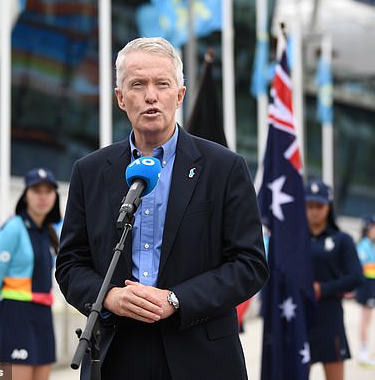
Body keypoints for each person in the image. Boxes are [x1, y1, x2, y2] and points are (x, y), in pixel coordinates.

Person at [55, 37, 269, 380]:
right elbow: (70, 264)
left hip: (203, 354)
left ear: (180, 95)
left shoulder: (224, 168)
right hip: (117, 353)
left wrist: (175, 299)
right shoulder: (90, 172)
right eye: (138, 85)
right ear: (121, 99)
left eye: (162, 84)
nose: (150, 96)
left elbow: (250, 264)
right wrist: (108, 297)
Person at [0, 168, 61, 380]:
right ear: (25, 195)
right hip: (15, 316)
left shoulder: (49, 232)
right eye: (36, 191)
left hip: (43, 315)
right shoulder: (13, 229)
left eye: (48, 191)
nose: (43, 197)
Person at [304, 179, 363, 380]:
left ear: (328, 207)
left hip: (330, 317)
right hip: (301, 317)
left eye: (319, 206)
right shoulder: (296, 241)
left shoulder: (342, 240)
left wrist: (323, 289)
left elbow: (356, 277)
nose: (314, 211)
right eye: (309, 206)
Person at [355, 213, 375, 369]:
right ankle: (363, 353)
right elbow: (359, 268)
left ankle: (365, 351)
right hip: (366, 286)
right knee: (365, 320)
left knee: (368, 320)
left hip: (371, 285)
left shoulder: (370, 245)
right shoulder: (364, 246)